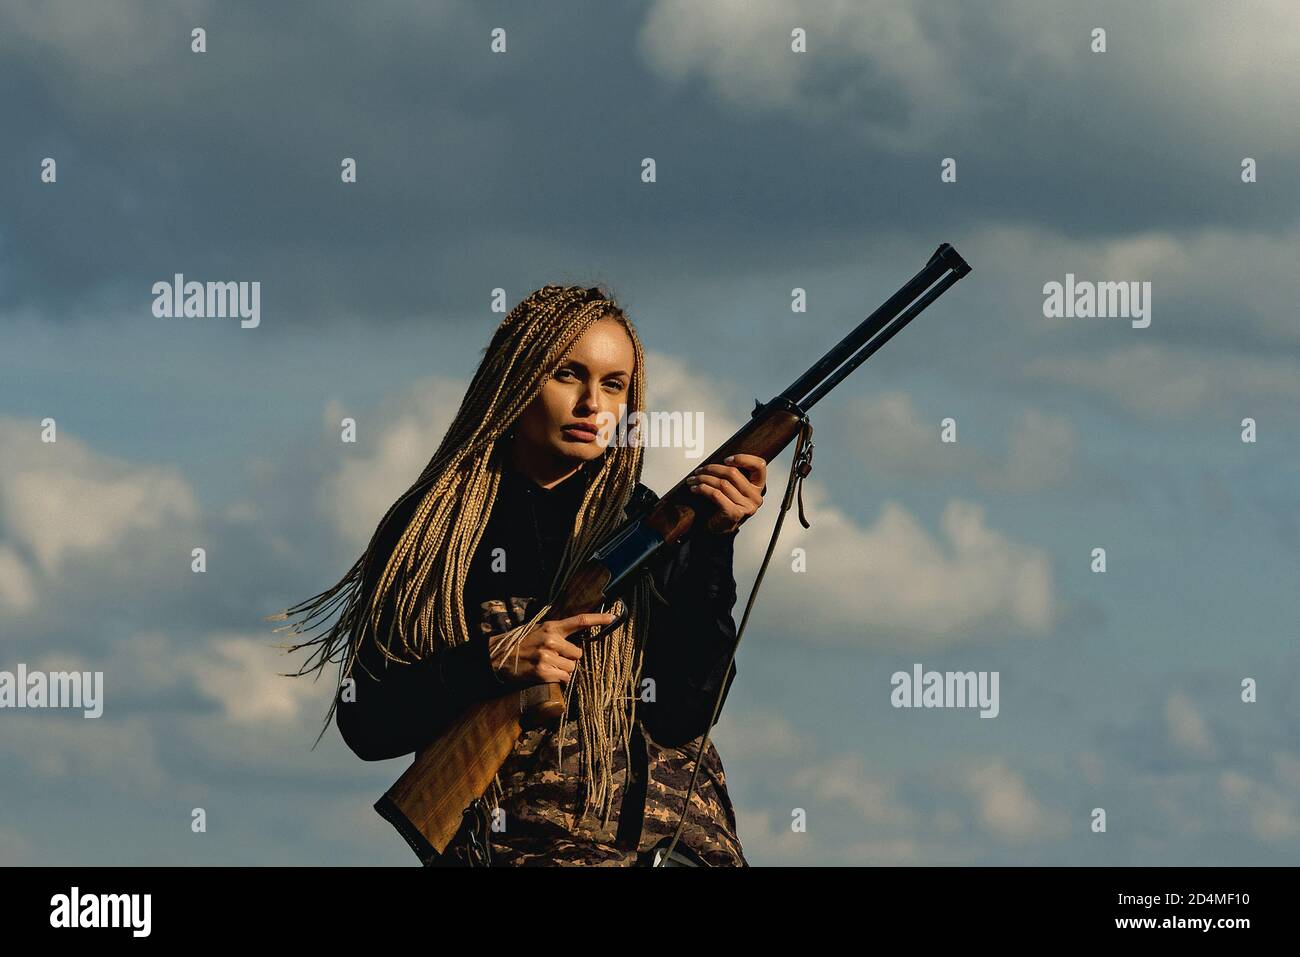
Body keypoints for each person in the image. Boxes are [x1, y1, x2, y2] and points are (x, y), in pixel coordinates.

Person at [274, 284, 766, 865]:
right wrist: (491, 662)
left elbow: (685, 712)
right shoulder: (440, 530)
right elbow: (366, 719)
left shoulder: (647, 522)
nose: (593, 404)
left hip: (678, 848)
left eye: (614, 385)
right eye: (567, 375)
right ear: (517, 379)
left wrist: (715, 542)